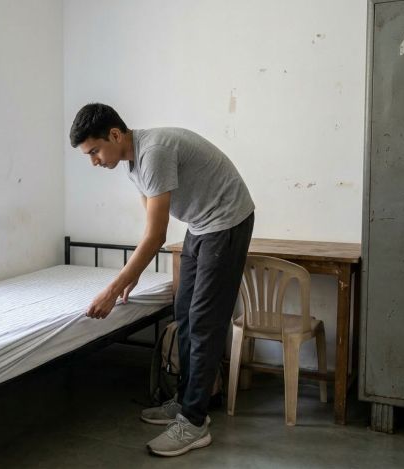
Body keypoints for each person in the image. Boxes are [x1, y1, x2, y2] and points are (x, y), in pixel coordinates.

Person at [69, 103, 255, 457]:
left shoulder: (152, 154)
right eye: (87, 156)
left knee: (204, 321)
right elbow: (150, 229)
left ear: (115, 134)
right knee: (183, 312)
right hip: (201, 225)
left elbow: (156, 236)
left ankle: (195, 422)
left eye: (94, 151)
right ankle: (185, 400)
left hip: (228, 219)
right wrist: (131, 276)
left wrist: (113, 287)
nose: (94, 161)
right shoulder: (133, 165)